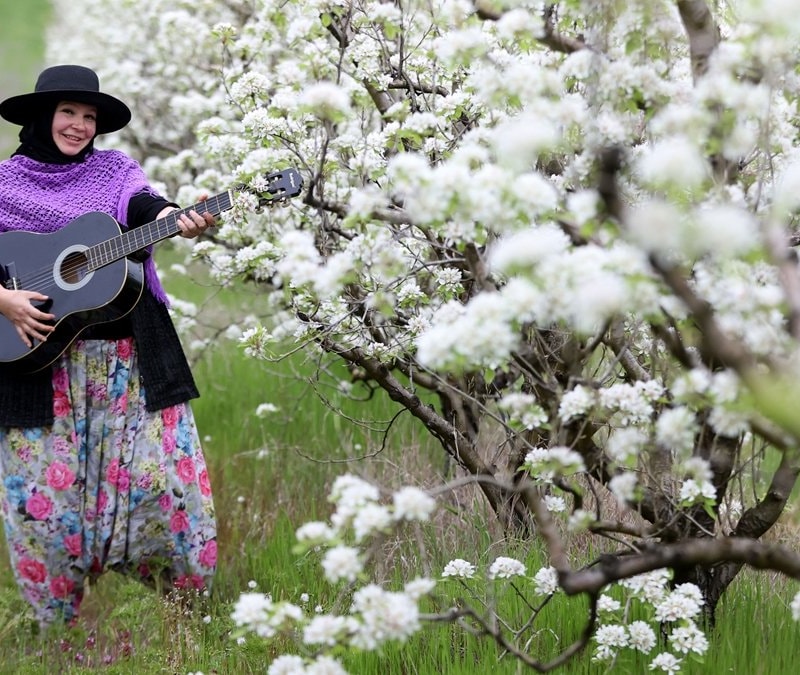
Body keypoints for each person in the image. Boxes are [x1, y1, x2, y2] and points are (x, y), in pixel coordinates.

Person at [0, 64, 217, 627]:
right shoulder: (4, 184)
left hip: (128, 365)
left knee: (166, 486)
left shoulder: (115, 172)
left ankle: (187, 610)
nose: (77, 125)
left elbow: (145, 205)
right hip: (38, 367)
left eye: (88, 117)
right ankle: (57, 625)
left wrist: (175, 216)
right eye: (67, 112)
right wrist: (3, 301)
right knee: (40, 505)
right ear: (41, 117)